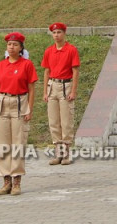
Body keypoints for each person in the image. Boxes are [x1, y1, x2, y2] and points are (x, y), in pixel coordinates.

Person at [0, 32, 37, 195]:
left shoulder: (26, 65)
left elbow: (31, 89)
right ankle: (6, 181)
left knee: (18, 143)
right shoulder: (0, 65)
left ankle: (17, 182)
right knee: (2, 144)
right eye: (9, 44)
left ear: (21, 47)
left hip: (19, 103)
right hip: (3, 104)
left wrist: (29, 109)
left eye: (15, 44)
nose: (12, 47)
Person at [41, 21, 80, 166]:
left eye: (59, 32)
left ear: (64, 33)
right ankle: (58, 153)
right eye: (54, 33)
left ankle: (66, 153)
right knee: (54, 121)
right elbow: (46, 71)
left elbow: (75, 71)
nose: (56, 35)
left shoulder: (71, 50)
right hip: (52, 86)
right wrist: (45, 91)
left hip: (66, 85)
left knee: (66, 120)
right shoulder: (49, 51)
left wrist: (73, 90)